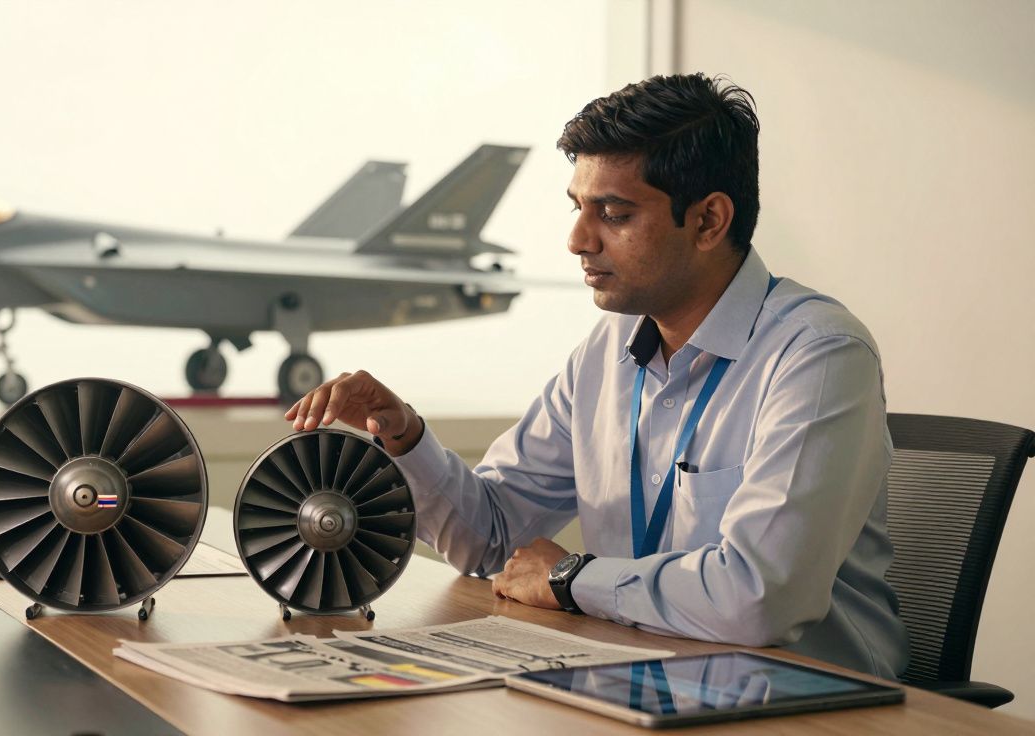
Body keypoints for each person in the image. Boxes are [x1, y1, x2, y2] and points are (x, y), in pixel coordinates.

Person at [284, 74, 909, 678]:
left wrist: (570, 579)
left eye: (613, 214)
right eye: (579, 208)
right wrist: (405, 436)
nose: (578, 240)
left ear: (708, 221)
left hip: (805, 704)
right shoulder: (608, 349)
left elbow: (758, 598)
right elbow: (496, 541)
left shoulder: (818, 355)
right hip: (638, 676)